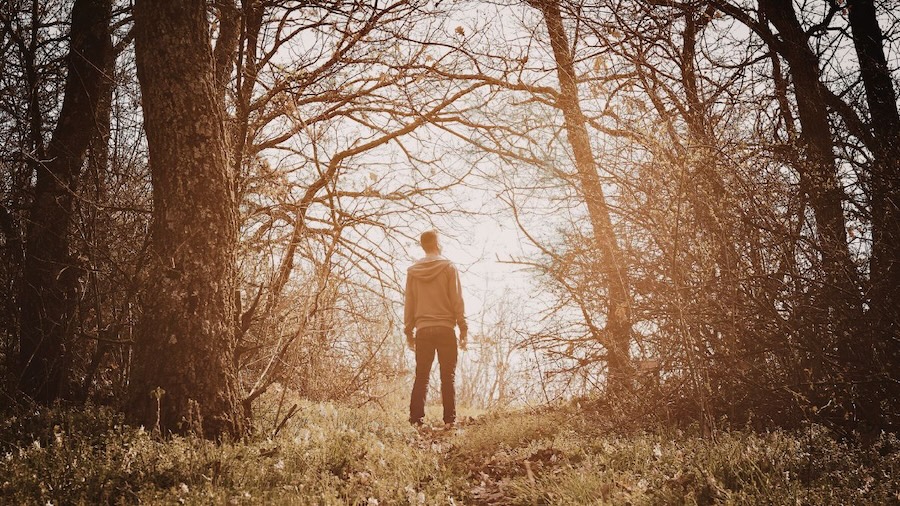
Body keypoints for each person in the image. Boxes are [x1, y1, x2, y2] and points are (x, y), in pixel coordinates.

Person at [405, 229, 467, 428]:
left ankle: (416, 421)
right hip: (445, 328)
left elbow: (410, 303)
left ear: (423, 246)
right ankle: (449, 421)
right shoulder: (448, 267)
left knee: (421, 376)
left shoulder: (413, 272)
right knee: (447, 377)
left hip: (423, 330)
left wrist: (408, 331)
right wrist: (463, 328)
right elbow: (457, 300)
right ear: (438, 244)